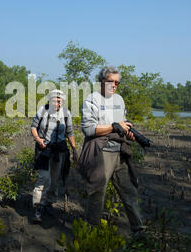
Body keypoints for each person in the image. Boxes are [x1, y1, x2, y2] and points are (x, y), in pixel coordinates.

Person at [79, 66, 146, 236]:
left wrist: (128, 134)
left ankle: (139, 231)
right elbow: (88, 129)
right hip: (102, 152)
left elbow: (121, 125)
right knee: (97, 193)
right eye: (111, 81)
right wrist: (114, 127)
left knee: (129, 192)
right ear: (102, 81)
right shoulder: (92, 99)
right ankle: (90, 233)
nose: (114, 85)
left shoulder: (119, 100)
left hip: (120, 152)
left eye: (117, 82)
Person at [30, 89, 78, 224]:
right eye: (54, 100)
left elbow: (70, 132)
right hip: (44, 149)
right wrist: (38, 139)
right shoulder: (42, 110)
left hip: (59, 150)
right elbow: (33, 127)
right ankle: (38, 207)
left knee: (54, 179)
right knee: (43, 178)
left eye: (59, 101)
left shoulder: (66, 113)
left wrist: (74, 149)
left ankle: (48, 204)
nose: (57, 103)